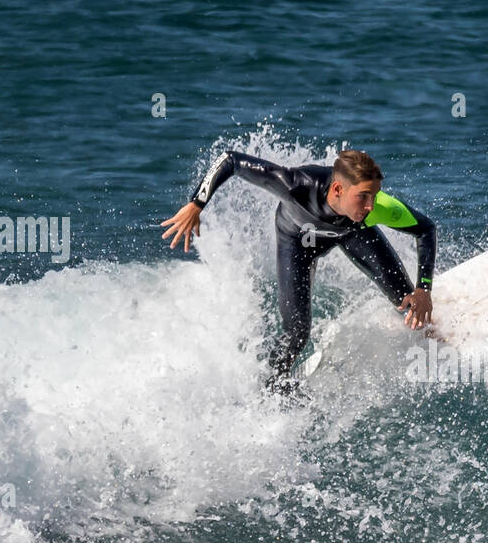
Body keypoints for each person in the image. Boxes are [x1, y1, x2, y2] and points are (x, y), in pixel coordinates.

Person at [161, 149, 436, 394]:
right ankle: (272, 387)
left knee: (407, 297)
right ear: (338, 189)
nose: (371, 205)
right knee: (297, 331)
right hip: (296, 240)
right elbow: (230, 160)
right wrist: (197, 203)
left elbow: (426, 229)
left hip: (350, 233)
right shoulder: (296, 185)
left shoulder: (372, 210)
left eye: (374, 196)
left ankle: (431, 336)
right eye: (363, 196)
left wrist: (424, 288)